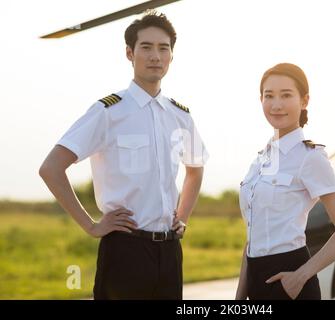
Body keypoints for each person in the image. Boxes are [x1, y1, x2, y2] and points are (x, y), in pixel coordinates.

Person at [39, 11, 208, 300]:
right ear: (130, 53)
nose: (155, 55)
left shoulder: (181, 116)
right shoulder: (108, 112)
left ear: (171, 56)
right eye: (146, 47)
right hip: (125, 251)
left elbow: (195, 168)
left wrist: (183, 216)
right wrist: (91, 225)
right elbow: (51, 168)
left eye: (163, 48)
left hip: (169, 252)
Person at [235, 63, 335, 300]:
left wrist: (301, 276)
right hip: (255, 280)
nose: (277, 104)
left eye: (286, 95)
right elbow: (253, 236)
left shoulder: (310, 158)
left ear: (304, 101)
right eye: (269, 96)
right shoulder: (260, 161)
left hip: (290, 280)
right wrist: (240, 296)